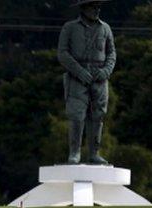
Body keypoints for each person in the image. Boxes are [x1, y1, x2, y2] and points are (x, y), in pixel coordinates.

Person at [57, 0, 116, 165]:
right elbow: (62, 53)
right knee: (77, 115)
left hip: (99, 77)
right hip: (77, 77)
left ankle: (94, 153)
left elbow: (111, 53)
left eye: (98, 7)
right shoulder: (70, 27)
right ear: (83, 8)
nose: (97, 10)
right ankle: (74, 152)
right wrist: (79, 71)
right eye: (93, 7)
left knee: (98, 115)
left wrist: (105, 71)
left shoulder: (105, 28)